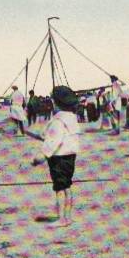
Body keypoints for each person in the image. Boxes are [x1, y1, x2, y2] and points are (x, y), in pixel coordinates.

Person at [29, 85, 81, 228]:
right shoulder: (71, 118)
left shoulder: (58, 121)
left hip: (58, 158)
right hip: (70, 157)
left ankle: (62, 219)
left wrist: (39, 158)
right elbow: (61, 137)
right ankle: (68, 217)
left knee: (59, 188)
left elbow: (52, 142)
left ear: (55, 102)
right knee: (67, 186)